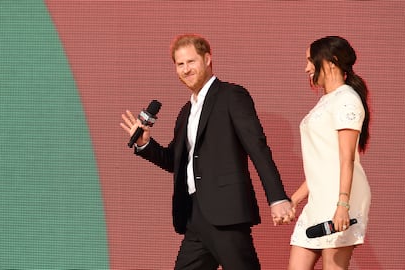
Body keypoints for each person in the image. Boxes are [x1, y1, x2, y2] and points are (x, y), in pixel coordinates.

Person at [120, 33, 294, 270]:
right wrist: (145, 144)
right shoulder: (185, 112)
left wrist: (277, 198)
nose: (186, 69)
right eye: (180, 64)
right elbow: (175, 161)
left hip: (227, 212)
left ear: (208, 59)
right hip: (194, 215)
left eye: (191, 62)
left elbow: (257, 147)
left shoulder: (231, 95)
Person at [288, 36, 371, 270]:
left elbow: (347, 159)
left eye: (310, 61)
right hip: (318, 201)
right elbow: (323, 165)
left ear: (331, 61)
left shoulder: (346, 100)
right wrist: (294, 199)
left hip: (340, 201)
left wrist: (342, 205)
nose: (307, 68)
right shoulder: (327, 100)